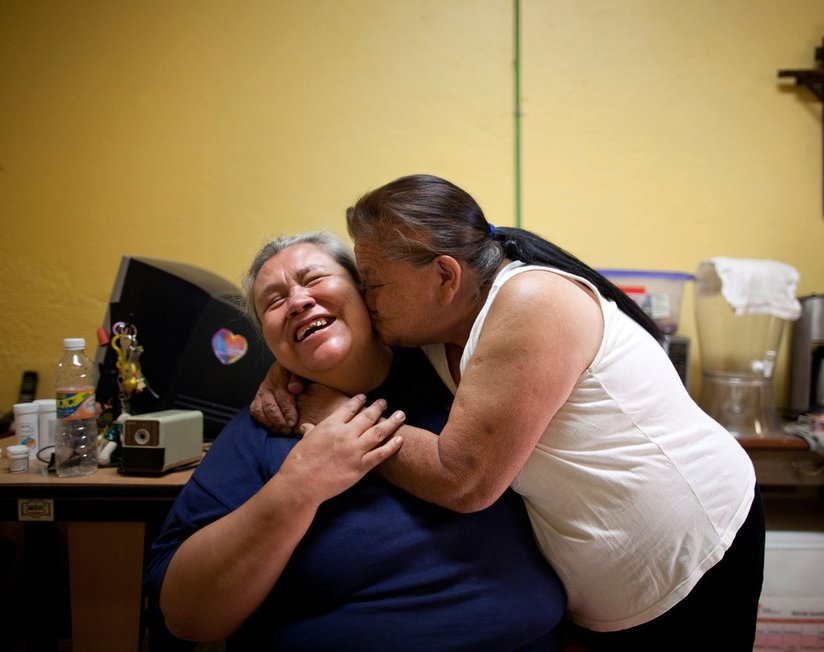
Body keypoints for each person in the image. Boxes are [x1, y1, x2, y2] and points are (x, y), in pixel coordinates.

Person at [252, 174, 766, 651]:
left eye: (375, 282)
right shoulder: (433, 329)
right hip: (608, 584)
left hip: (699, 547)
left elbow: (464, 479)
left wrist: (332, 411)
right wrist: (287, 369)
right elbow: (347, 345)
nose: (368, 297)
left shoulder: (532, 302)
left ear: (445, 277)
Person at [143, 231, 566, 651]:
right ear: (268, 342)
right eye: (273, 301)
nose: (298, 301)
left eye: (314, 280)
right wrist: (296, 488)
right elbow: (185, 616)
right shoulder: (264, 430)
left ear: (368, 294)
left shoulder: (455, 370)